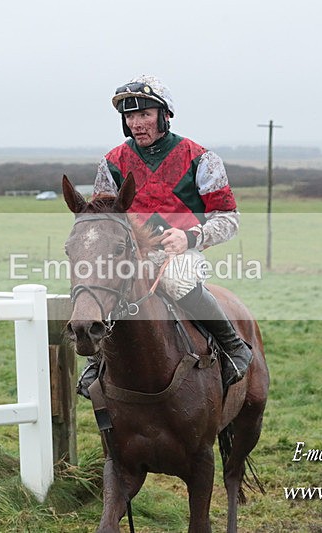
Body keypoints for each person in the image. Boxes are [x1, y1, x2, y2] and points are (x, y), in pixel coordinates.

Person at [76, 74, 252, 398]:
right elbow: (103, 221)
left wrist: (191, 238)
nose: (137, 123)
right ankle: (97, 360)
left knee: (177, 281)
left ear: (164, 115)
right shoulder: (112, 162)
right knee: (102, 285)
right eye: (130, 116)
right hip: (132, 253)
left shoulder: (201, 158)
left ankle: (233, 346)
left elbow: (229, 218)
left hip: (181, 251)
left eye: (145, 114)